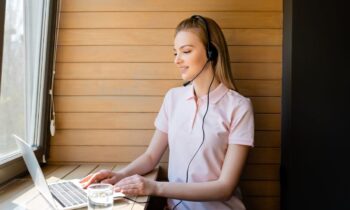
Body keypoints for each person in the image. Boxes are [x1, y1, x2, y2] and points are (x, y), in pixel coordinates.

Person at [80, 15, 254, 210]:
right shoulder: (173, 98)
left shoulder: (239, 107)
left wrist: (155, 187)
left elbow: (224, 188)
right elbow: (151, 157)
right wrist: (120, 175)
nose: (177, 61)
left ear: (211, 52)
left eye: (186, 51)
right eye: (175, 53)